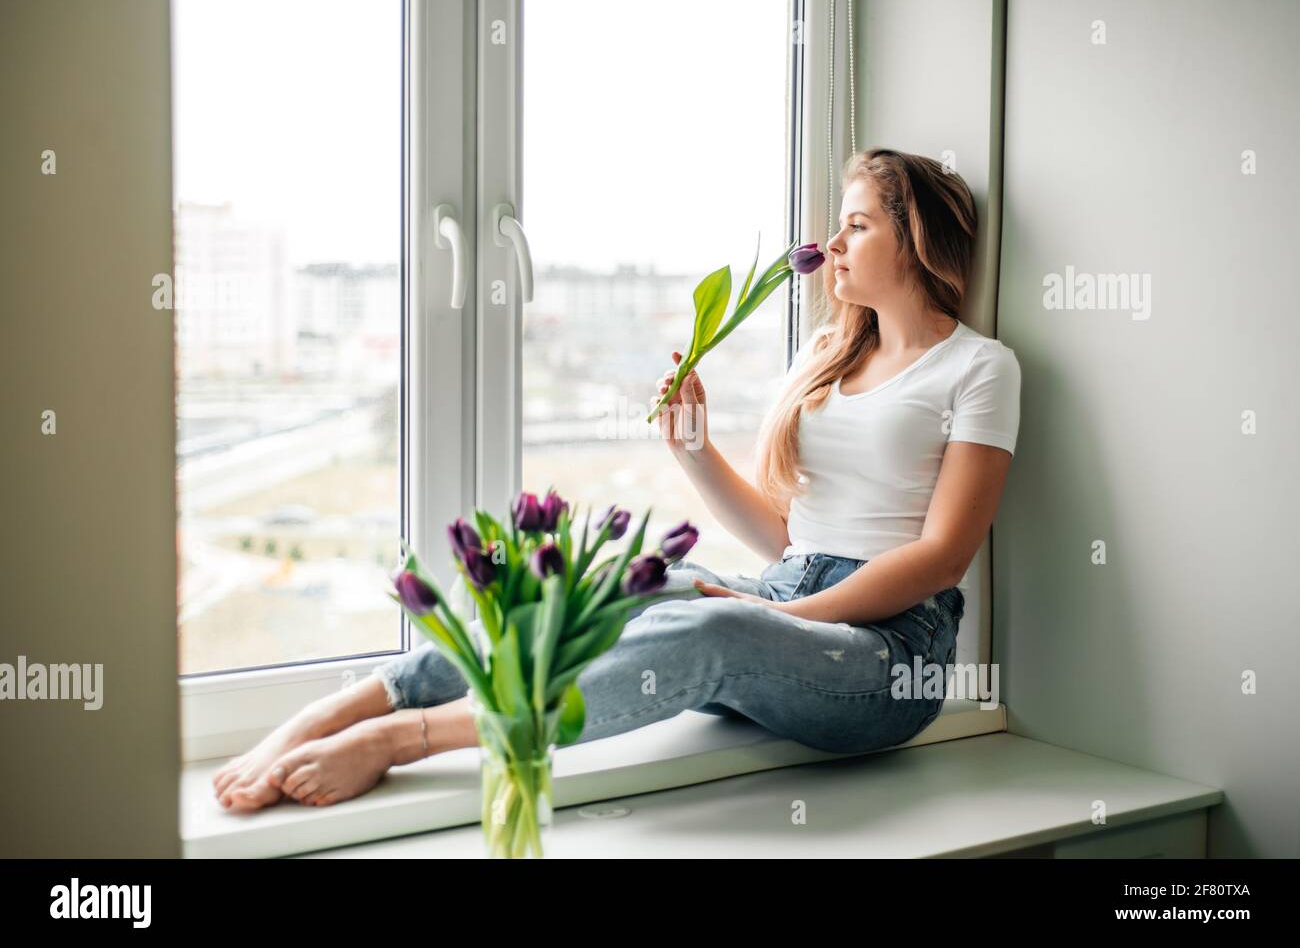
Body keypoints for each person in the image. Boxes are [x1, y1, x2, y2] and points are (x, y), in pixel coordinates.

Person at [212, 147, 1021, 811]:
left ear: (917, 241)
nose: (832, 245)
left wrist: (783, 615)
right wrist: (693, 449)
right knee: (617, 583)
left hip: (886, 655)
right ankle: (360, 701)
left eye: (856, 226)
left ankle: (411, 738)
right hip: (786, 597)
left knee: (715, 627)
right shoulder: (827, 357)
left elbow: (943, 557)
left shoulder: (980, 369)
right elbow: (789, 537)